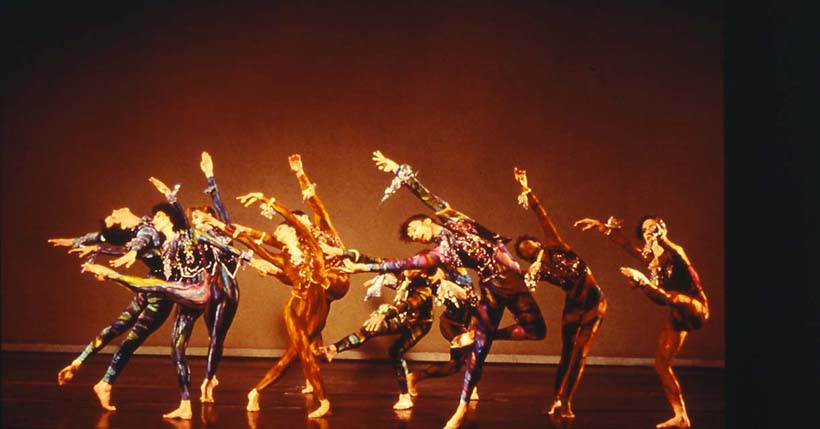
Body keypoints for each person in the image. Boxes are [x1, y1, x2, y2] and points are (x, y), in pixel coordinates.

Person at [348, 150, 546, 429]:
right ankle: (461, 409)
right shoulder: (440, 253)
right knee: (478, 353)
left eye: (414, 228)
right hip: (492, 286)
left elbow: (426, 196)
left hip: (511, 278)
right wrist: (364, 268)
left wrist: (397, 170)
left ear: (427, 221)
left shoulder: (455, 220)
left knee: (537, 331)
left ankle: (479, 334)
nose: (414, 235)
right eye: (412, 236)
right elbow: (405, 263)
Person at [199, 191, 333, 418]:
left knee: (292, 356)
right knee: (304, 353)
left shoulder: (310, 244)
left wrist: (264, 198)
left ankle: (256, 391)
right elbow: (250, 242)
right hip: (296, 309)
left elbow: (288, 215)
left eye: (280, 229)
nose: (276, 233)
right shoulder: (282, 258)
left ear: (292, 230)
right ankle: (323, 401)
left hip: (318, 306)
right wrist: (216, 223)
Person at [574, 214, 708, 429]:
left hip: (695, 307)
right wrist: (602, 227)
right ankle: (681, 416)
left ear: (662, 228)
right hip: (677, 315)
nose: (649, 232)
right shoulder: (651, 260)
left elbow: (668, 291)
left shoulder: (675, 252)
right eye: (645, 229)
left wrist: (661, 240)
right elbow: (626, 245)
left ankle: (644, 280)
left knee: (672, 297)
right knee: (661, 364)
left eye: (653, 227)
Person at [49, 208, 171, 412]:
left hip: (148, 286)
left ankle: (79, 361)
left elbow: (101, 237)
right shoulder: (143, 232)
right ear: (122, 225)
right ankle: (105, 383)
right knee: (130, 339)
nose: (114, 211)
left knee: (116, 328)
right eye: (114, 217)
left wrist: (77, 242)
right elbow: (142, 240)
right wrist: (130, 251)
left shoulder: (143, 225)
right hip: (160, 291)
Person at [512, 167, 607, 419]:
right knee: (567, 353)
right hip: (573, 305)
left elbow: (543, 216)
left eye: (529, 244)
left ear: (538, 242)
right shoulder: (537, 271)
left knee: (580, 353)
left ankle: (567, 402)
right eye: (523, 251)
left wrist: (526, 188)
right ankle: (555, 398)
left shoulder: (556, 246)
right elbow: (518, 282)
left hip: (594, 302)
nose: (527, 249)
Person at [318, 267, 436, 410]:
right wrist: (377, 278)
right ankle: (334, 349)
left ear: (422, 273)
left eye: (416, 267)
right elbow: (390, 274)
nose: (410, 268)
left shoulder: (424, 290)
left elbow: (405, 305)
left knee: (395, 351)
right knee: (370, 328)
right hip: (402, 318)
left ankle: (405, 396)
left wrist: (383, 315)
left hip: (418, 324)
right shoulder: (404, 276)